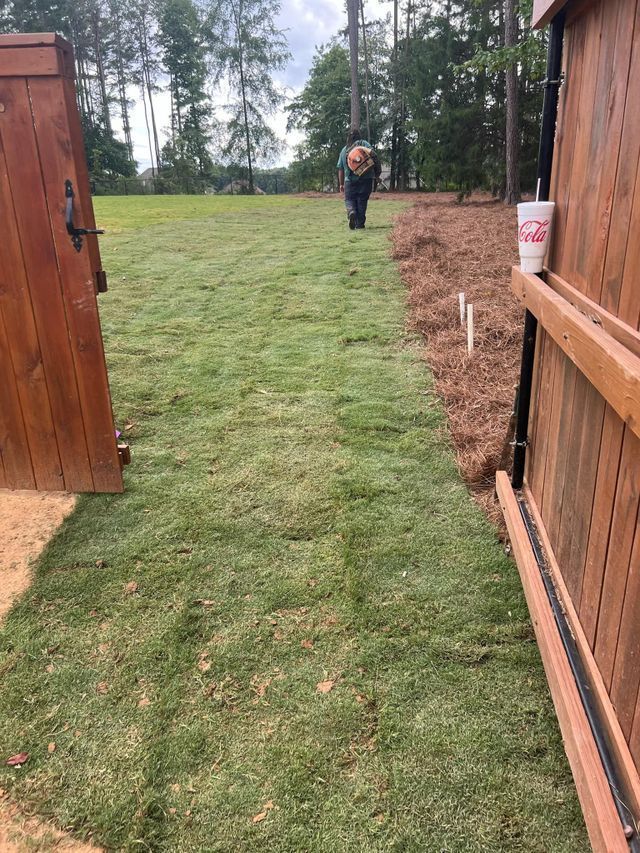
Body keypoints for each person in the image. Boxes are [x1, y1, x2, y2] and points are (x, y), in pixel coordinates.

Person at [336, 127, 380, 230]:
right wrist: (377, 174)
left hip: (349, 181)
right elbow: (374, 156)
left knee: (349, 200)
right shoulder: (365, 144)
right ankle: (360, 224)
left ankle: (351, 211)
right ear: (359, 136)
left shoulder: (344, 150)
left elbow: (340, 169)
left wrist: (341, 184)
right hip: (366, 179)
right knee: (362, 201)